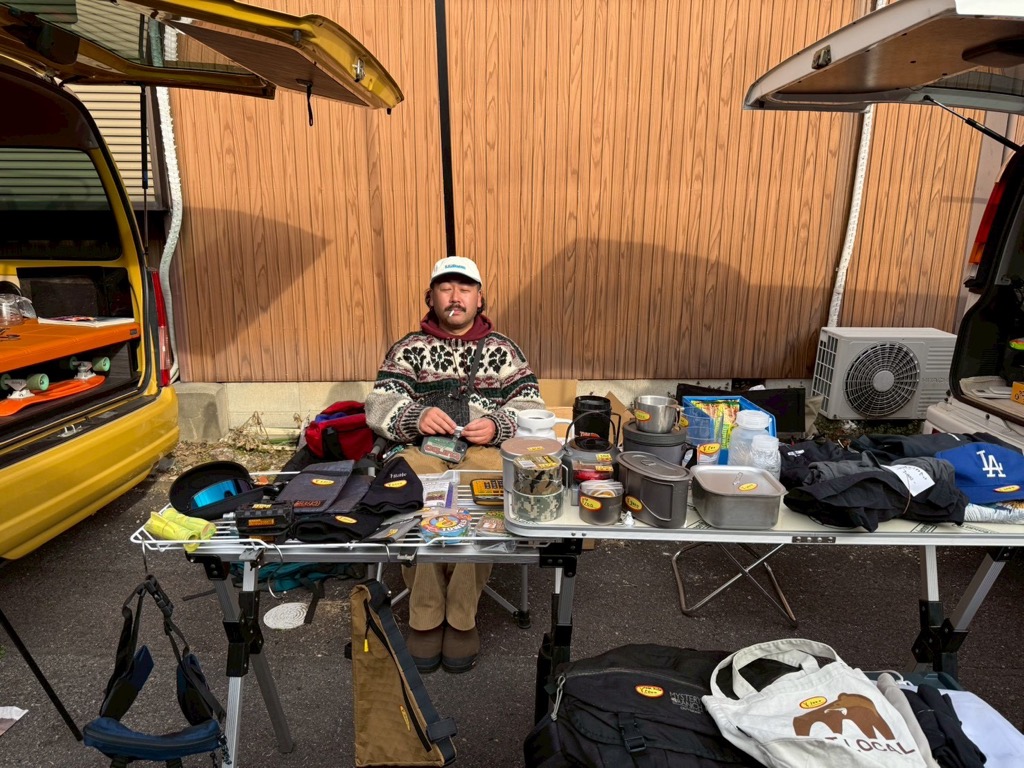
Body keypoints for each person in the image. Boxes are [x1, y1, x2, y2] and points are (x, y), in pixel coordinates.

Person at [365, 255, 544, 673]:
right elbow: (379, 403)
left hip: (484, 449)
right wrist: (415, 416)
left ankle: (462, 615)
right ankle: (426, 614)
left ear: (480, 298)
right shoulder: (409, 348)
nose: (455, 296)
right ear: (431, 297)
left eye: (465, 288)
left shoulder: (504, 350)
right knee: (414, 499)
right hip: (422, 449)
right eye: (445, 288)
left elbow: (530, 406)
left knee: (484, 502)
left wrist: (498, 424)